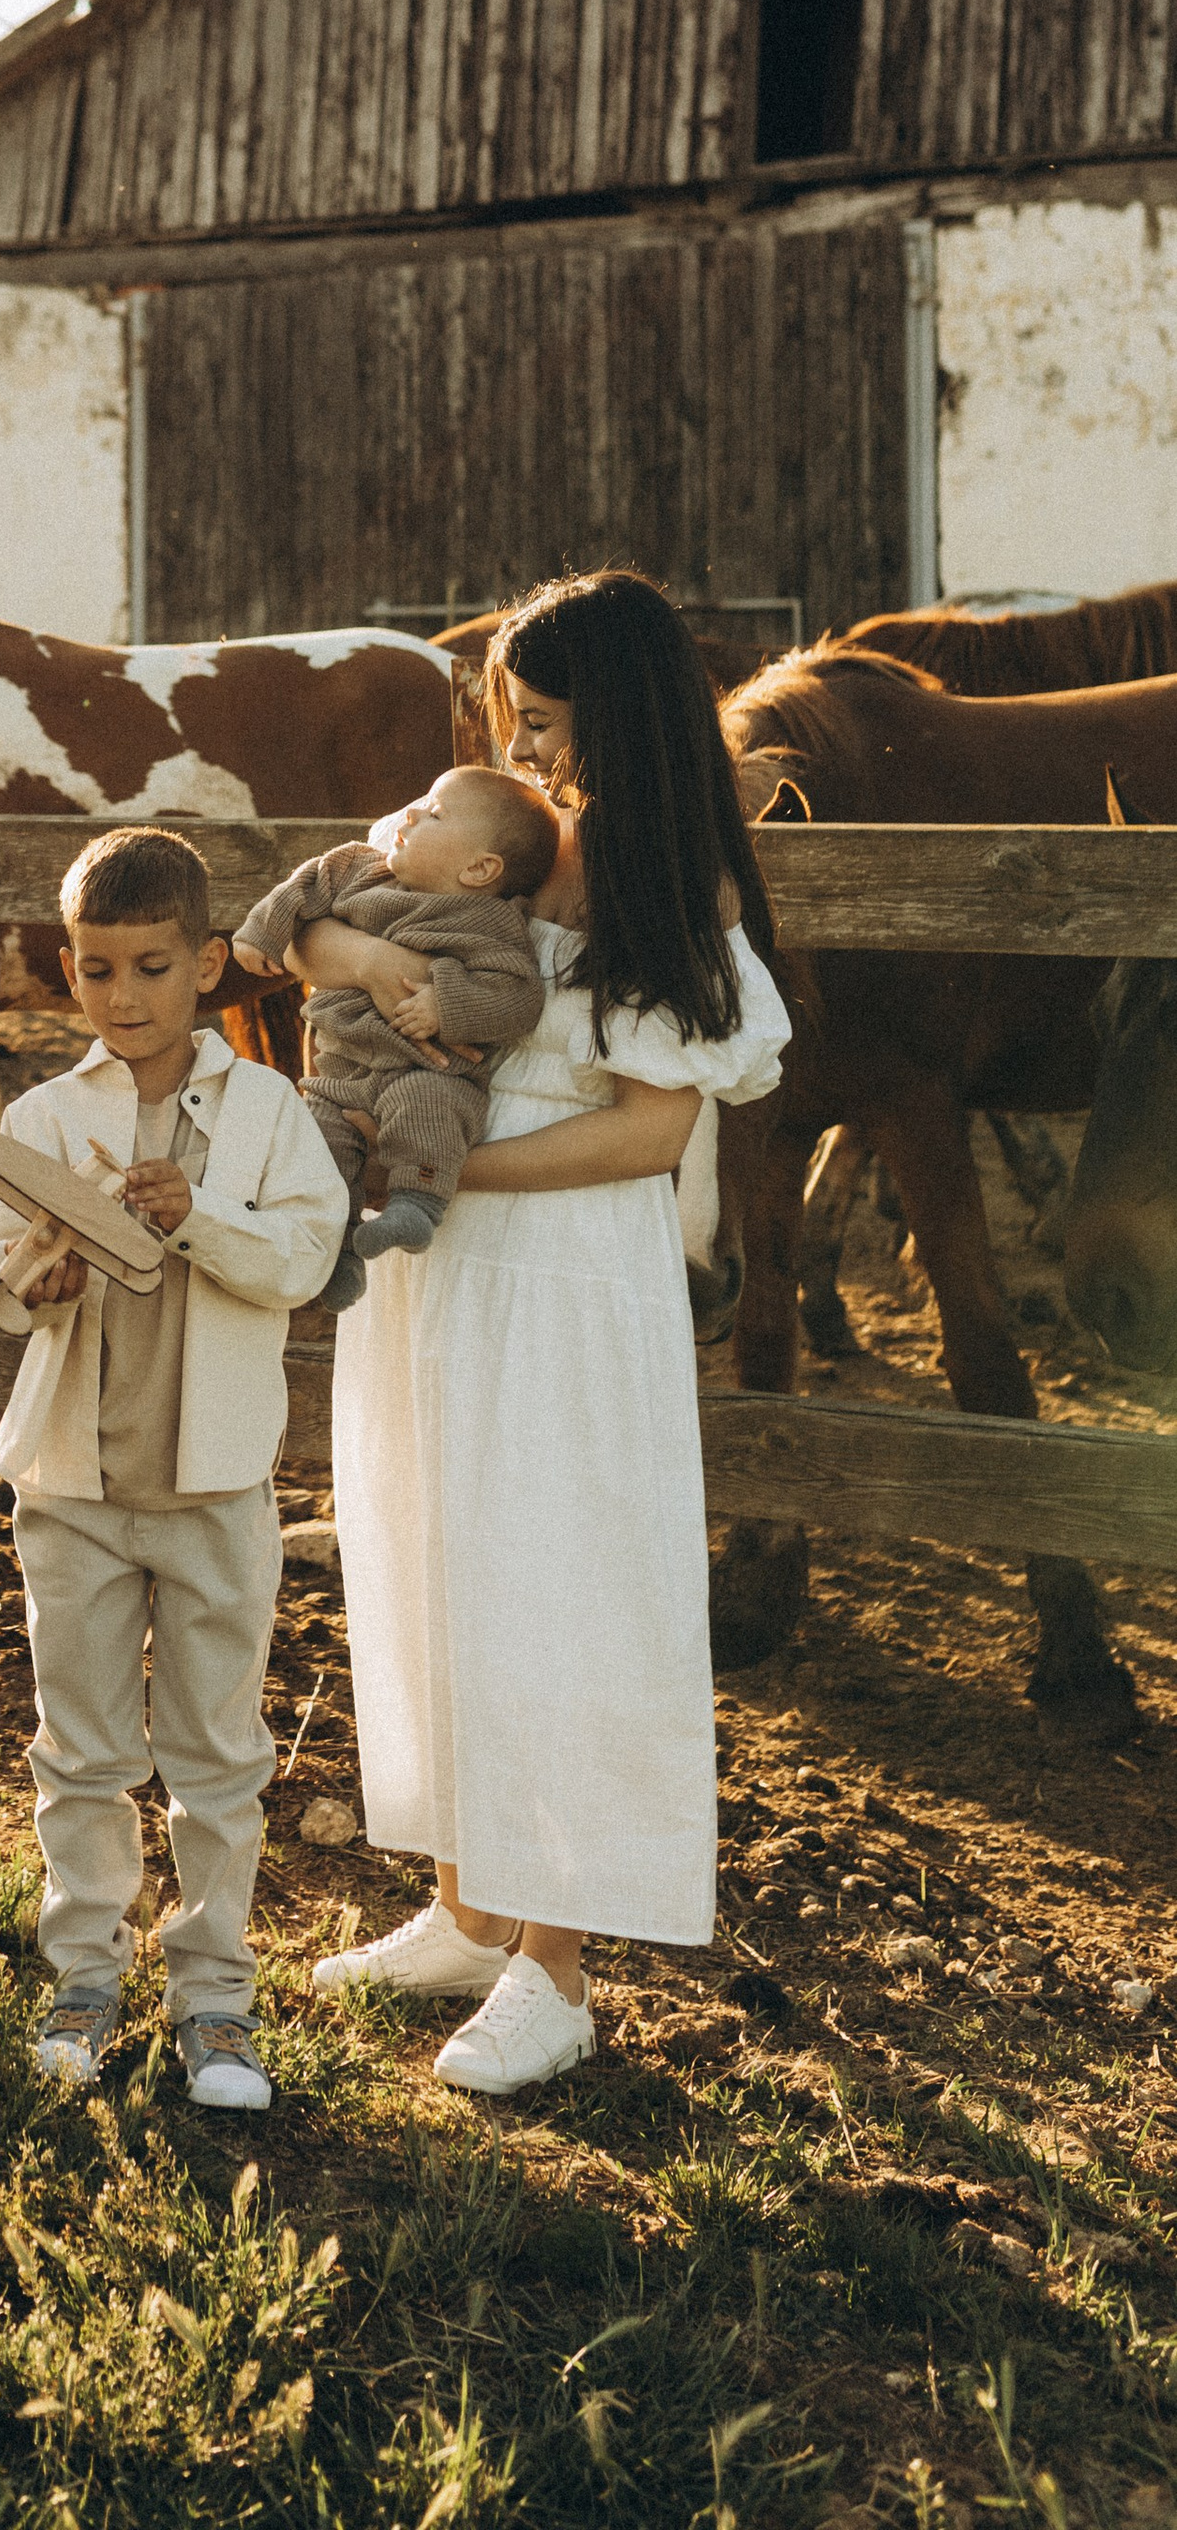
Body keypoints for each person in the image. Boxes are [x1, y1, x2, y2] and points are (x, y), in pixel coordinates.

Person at [269, 569, 788, 2099]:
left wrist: (443, 1172)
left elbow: (647, 1134)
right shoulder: (512, 843)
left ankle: (556, 1968)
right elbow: (314, 933)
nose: (525, 750)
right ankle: (468, 1907)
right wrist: (373, 979)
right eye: (515, 721)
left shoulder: (665, 884)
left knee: (558, 1592)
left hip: (563, 1271)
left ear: (617, 714)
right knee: (438, 1561)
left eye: (546, 721)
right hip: (442, 1274)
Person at [0, 825, 352, 2115]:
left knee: (216, 1753)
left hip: (215, 1488)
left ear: (206, 964)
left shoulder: (268, 1112)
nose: (121, 997)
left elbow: (304, 1260)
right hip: (69, 1487)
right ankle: (84, 1975)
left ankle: (215, 1995)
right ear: (66, 967)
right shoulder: (42, 1116)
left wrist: (198, 1220)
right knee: (79, 1747)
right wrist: (35, 1276)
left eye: (150, 967)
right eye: (94, 969)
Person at [233, 766, 555, 1264]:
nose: (411, 814)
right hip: (341, 1070)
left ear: (479, 870)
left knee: (431, 1113)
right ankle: (336, 1251)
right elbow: (304, 886)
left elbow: (518, 995)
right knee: (320, 1145)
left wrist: (445, 1004)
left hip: (425, 1070)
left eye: (435, 814)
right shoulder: (360, 868)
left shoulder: (490, 922)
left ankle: (416, 1205)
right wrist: (262, 931)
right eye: (422, 802)